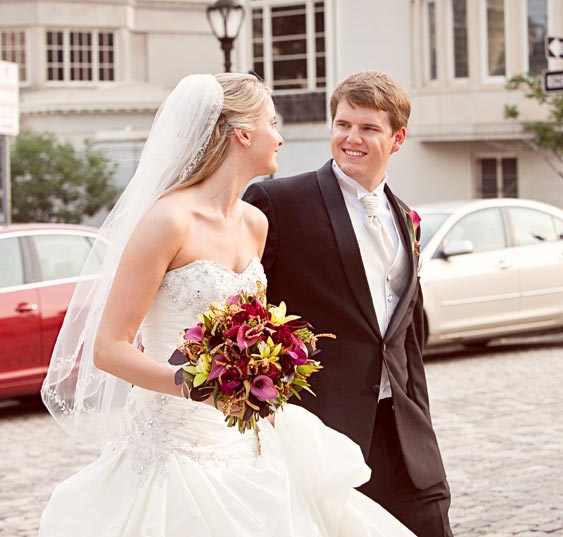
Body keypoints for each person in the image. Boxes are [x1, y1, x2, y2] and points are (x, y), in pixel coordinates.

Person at [38, 73, 416, 536]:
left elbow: (251, 327)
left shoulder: (254, 224)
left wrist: (268, 370)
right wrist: (199, 385)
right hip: (176, 441)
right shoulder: (167, 221)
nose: (280, 136)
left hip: (249, 439)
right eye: (271, 123)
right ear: (243, 134)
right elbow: (109, 348)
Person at [243, 71, 453, 537]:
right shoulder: (277, 203)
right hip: (322, 438)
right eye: (343, 125)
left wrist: (421, 420)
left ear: (397, 138)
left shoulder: (406, 217)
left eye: (368, 128)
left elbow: (407, 336)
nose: (351, 138)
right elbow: (246, 316)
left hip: (404, 438)